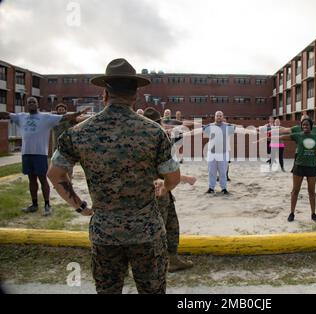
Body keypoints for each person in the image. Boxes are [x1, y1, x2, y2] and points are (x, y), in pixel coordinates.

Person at [47, 58, 180, 294]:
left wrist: (80, 207)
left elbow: (55, 175)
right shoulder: (154, 131)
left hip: (104, 232)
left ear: (104, 94)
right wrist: (162, 188)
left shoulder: (78, 133)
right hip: (146, 232)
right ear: (135, 95)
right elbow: (173, 178)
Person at [0, 97, 86, 216]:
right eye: (29, 102)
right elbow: (6, 114)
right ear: (26, 105)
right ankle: (34, 204)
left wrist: (79, 113)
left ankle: (47, 205)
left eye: (33, 102)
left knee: (42, 179)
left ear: (37, 104)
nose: (31, 104)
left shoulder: (46, 117)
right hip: (26, 153)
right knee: (31, 179)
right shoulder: (21, 117)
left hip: (40, 154)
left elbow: (65, 117)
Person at [144, 107, 196, 272]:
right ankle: (161, 262)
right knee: (165, 227)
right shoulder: (159, 139)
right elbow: (169, 172)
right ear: (159, 122)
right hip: (159, 192)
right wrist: (186, 179)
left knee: (163, 226)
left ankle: (166, 260)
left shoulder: (137, 139)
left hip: (148, 192)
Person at [184, 111, 256, 195]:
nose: (218, 117)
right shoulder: (210, 126)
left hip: (223, 153)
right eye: (217, 116)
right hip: (212, 153)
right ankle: (211, 188)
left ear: (223, 117)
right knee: (212, 171)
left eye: (220, 116)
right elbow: (198, 131)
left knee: (223, 172)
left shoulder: (228, 127)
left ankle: (224, 188)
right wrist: (185, 134)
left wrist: (253, 132)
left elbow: (241, 130)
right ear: (215, 117)